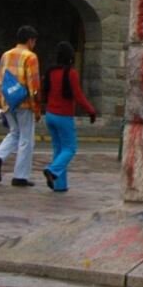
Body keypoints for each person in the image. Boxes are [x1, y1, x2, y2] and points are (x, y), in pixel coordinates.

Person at [39, 41, 96, 192]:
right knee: (70, 148)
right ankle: (52, 170)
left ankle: (60, 185)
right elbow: (78, 96)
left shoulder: (50, 72)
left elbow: (43, 90)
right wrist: (91, 110)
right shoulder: (71, 73)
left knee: (58, 149)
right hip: (63, 116)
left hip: (50, 115)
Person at [0, 25, 40, 187]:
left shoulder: (6, 55)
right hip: (24, 102)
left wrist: (1, 99)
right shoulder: (31, 57)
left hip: (8, 101)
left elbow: (1, 79)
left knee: (14, 133)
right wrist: (36, 108)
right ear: (30, 40)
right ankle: (20, 176)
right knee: (26, 139)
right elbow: (33, 85)